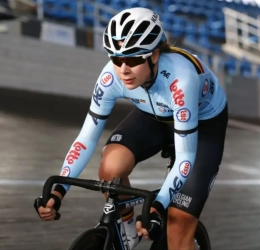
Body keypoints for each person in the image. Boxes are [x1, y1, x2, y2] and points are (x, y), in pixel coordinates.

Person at [34, 7, 228, 250]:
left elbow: (186, 157)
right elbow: (85, 138)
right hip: (154, 113)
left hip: (202, 122)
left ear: (155, 55)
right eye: (116, 58)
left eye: (134, 59)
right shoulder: (111, 77)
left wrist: (158, 206)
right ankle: (127, 231)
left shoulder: (181, 80)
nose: (123, 69)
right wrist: (59, 190)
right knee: (110, 167)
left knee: (178, 226)